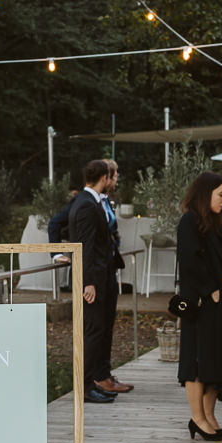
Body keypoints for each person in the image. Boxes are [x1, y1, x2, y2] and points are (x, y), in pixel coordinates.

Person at [176, 172, 222, 440]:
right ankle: (197, 417)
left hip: (221, 301)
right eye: (220, 194)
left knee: (216, 358)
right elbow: (189, 261)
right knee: (196, 359)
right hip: (199, 303)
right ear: (205, 195)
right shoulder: (189, 221)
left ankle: (208, 415)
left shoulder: (215, 222)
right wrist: (210, 289)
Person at [70, 160, 123, 404]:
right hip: (93, 279)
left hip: (102, 276)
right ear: (104, 177)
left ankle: (93, 382)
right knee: (92, 332)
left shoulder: (88, 202)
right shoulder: (87, 205)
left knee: (98, 329)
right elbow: (86, 246)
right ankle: (84, 386)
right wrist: (88, 282)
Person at [97, 160, 132, 394]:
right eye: (115, 175)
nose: (117, 178)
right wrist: (60, 252)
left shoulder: (105, 201)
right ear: (105, 177)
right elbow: (58, 223)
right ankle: (98, 377)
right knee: (98, 327)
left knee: (107, 324)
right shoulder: (86, 201)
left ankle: (105, 373)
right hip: (96, 272)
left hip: (109, 268)